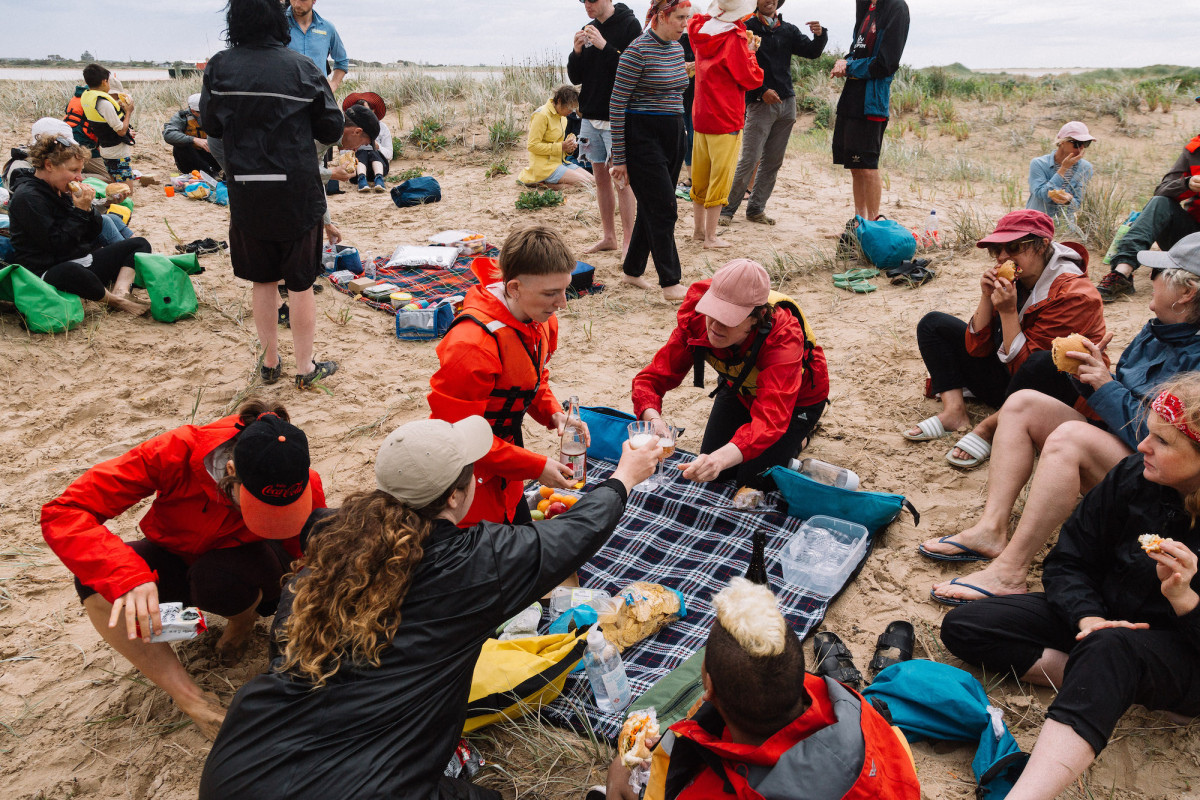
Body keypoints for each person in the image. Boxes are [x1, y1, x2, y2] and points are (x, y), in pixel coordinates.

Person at [198, 415, 660, 800]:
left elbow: (286, 650)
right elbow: (573, 536)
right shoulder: (476, 563)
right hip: (363, 784)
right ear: (458, 496)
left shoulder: (334, 543)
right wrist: (624, 476)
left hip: (240, 766)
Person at [940, 376, 1200, 800]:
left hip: (1181, 652)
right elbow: (1068, 560)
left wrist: (1185, 600)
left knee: (1111, 648)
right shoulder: (1135, 475)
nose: (1142, 447)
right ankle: (1105, 680)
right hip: (1103, 620)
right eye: (1147, 432)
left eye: (1164, 442)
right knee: (967, 626)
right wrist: (1088, 616)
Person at [927, 233, 1200, 604]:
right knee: (1023, 402)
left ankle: (1010, 572)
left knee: (1071, 436)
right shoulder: (1157, 331)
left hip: (1165, 481)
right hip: (1127, 454)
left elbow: (1162, 439)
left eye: (1160, 273)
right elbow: (1121, 401)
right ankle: (991, 529)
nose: (1149, 278)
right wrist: (1087, 374)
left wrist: (1105, 384)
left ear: (1186, 293)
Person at [40, 399, 327, 740]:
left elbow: (311, 557)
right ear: (230, 471)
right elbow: (65, 511)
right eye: (259, 507)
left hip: (253, 569)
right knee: (101, 586)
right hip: (178, 556)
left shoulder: (302, 479)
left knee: (216, 578)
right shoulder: (177, 450)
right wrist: (127, 577)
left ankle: (243, 621)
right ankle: (191, 697)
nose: (272, 517)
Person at [604, 577, 921, 799]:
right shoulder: (857, 710)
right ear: (802, 675)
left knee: (622, 770)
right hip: (879, 779)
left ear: (708, 687)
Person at [201, 0, 345, 388]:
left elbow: (211, 122)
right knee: (300, 283)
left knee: (262, 282)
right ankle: (304, 369)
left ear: (236, 20)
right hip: (297, 190)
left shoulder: (219, 66)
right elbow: (332, 129)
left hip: (247, 189)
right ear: (277, 20)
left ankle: (269, 363)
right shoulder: (301, 67)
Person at [903, 210, 1106, 469]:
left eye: (1013, 247)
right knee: (933, 324)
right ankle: (954, 412)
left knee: (1044, 362)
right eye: (997, 250)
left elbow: (1033, 371)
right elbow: (976, 349)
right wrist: (986, 297)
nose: (1002, 257)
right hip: (1008, 380)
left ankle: (990, 428)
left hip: (1052, 393)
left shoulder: (1074, 294)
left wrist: (1009, 312)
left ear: (1043, 244)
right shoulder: (1019, 277)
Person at [428, 226, 589, 526]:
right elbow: (458, 439)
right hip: (465, 485)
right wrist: (535, 466)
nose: (562, 304)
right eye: (550, 293)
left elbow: (533, 378)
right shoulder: (470, 346)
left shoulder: (542, 320)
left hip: (508, 468)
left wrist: (554, 414)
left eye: (564, 289)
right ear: (513, 288)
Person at [632, 259, 829, 494]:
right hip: (739, 387)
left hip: (794, 402)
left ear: (758, 316)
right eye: (713, 311)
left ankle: (798, 438)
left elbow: (770, 420)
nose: (715, 325)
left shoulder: (783, 338)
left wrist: (721, 458)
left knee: (751, 483)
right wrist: (653, 419)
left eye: (728, 318)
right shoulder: (697, 317)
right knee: (713, 475)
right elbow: (650, 379)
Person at [7, 134, 150, 315]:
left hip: (81, 260)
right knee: (71, 271)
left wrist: (88, 210)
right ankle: (117, 302)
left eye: (80, 171)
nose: (79, 178)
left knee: (139, 244)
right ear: (49, 165)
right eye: (74, 170)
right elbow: (57, 245)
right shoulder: (28, 197)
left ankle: (120, 292)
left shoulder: (60, 189)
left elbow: (93, 234)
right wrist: (80, 211)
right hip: (48, 270)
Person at [610, 0, 692, 303]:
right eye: (680, 18)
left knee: (652, 206)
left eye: (687, 18)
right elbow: (617, 105)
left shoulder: (676, 48)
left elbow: (676, 88)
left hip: (674, 132)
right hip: (642, 135)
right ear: (661, 16)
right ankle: (671, 282)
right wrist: (620, 158)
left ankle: (632, 271)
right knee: (665, 207)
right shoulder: (636, 52)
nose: (685, 24)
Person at [721, 0, 825, 227]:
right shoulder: (746, 28)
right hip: (759, 103)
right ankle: (727, 210)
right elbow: (737, 66)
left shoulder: (787, 30)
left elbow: (813, 52)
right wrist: (761, 91)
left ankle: (756, 210)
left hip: (787, 102)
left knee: (773, 161)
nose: (769, 0)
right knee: (750, 158)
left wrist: (820, 35)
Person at [687, 0, 763, 249]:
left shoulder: (700, 30)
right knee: (720, 177)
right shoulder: (735, 38)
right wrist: (750, 52)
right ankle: (710, 237)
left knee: (700, 175)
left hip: (701, 113)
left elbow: (694, 22)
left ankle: (698, 231)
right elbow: (750, 78)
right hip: (726, 115)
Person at [567, 0, 642, 254]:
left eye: (592, 0)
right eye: (583, 1)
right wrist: (576, 52)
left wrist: (604, 46)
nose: (587, 5)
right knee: (600, 179)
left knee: (622, 180)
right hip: (590, 115)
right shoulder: (587, 27)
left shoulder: (630, 24)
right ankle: (609, 237)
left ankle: (629, 240)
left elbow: (634, 70)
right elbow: (576, 78)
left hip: (618, 116)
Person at [830, 0, 909, 221]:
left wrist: (850, 67)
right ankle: (859, 223)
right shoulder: (866, 7)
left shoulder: (896, 8)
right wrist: (843, 61)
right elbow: (858, 51)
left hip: (872, 100)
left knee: (867, 166)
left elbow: (885, 64)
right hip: (851, 97)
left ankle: (873, 225)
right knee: (855, 166)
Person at [1098, 133, 1200, 302]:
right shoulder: (1194, 150)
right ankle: (1122, 273)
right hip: (1190, 238)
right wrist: (1186, 184)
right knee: (1160, 202)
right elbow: (1162, 190)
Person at [518, 85, 596, 188]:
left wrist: (569, 148)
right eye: (569, 108)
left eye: (573, 109)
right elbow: (532, 146)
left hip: (561, 162)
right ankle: (542, 183)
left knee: (593, 181)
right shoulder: (541, 115)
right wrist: (561, 146)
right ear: (559, 101)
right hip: (545, 166)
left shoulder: (563, 118)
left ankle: (551, 183)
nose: (570, 112)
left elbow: (561, 147)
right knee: (584, 184)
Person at [79, 63, 136, 182]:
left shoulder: (88, 98)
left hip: (105, 148)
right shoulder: (104, 103)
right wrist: (129, 112)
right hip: (116, 151)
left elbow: (104, 124)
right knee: (126, 190)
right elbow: (120, 131)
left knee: (115, 185)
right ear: (105, 81)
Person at [1026, 121, 1094, 220]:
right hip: (1037, 223)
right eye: (1077, 144)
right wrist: (1063, 169)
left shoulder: (1085, 168)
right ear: (1062, 142)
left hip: (1065, 229)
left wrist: (1069, 201)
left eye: (1086, 143)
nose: (1082, 148)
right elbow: (1042, 194)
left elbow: (1079, 203)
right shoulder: (1038, 164)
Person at [285, 0, 348, 91]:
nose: (297, 4)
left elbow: (342, 61)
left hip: (318, 98)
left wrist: (333, 85)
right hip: (287, 96)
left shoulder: (327, 28)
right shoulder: (277, 25)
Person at [162, 93, 223, 177]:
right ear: (193, 110)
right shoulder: (182, 117)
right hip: (192, 160)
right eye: (201, 112)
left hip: (214, 156)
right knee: (181, 145)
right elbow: (169, 134)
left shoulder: (218, 115)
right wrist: (194, 140)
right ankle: (208, 171)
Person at [342, 91, 393, 193]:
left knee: (373, 152)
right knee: (362, 153)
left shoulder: (382, 128)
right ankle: (362, 178)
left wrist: (378, 147)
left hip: (379, 165)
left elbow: (389, 154)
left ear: (372, 111)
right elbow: (343, 152)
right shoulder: (349, 129)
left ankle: (378, 178)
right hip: (357, 168)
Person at [62, 82, 110, 177]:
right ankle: (76, 177)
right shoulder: (95, 101)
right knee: (110, 177)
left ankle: (76, 172)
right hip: (84, 147)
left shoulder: (75, 99)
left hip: (65, 142)